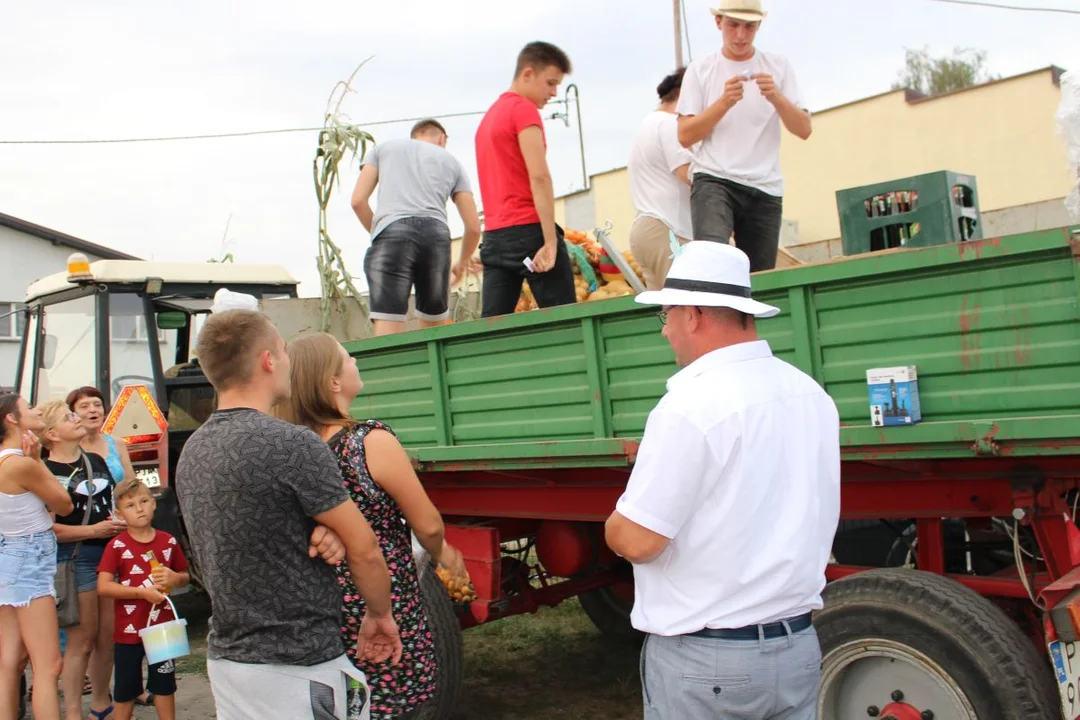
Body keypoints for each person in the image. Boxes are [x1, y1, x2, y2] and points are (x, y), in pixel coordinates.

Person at [604, 242, 840, 719]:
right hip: (796, 646)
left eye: (666, 315)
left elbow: (638, 539)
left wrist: (612, 526)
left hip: (708, 660)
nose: (666, 330)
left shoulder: (690, 405)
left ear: (693, 315)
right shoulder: (809, 393)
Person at [176, 309, 402, 719]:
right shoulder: (292, 444)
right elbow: (365, 549)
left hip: (229, 663)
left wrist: (320, 529)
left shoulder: (193, 451)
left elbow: (253, 530)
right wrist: (380, 615)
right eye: (283, 350)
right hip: (300, 664)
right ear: (268, 360)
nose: (288, 362)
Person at [277, 332, 469, 720]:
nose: (355, 362)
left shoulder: (292, 448)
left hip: (323, 608)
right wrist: (444, 554)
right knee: (395, 704)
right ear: (333, 381)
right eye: (348, 358)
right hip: (381, 599)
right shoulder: (369, 442)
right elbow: (427, 524)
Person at [676, 0, 811, 272]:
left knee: (759, 279)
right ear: (718, 23)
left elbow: (804, 129)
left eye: (749, 27)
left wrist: (776, 97)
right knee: (713, 266)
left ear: (759, 25)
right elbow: (684, 135)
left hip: (765, 186)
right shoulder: (701, 69)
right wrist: (723, 102)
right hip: (714, 179)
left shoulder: (778, 66)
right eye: (733, 25)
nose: (740, 35)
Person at [351, 119, 483, 336]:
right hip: (436, 236)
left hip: (392, 232)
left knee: (388, 331)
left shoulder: (383, 149)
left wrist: (381, 232)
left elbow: (357, 201)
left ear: (415, 135)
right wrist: (462, 262)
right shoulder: (452, 162)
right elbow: (473, 227)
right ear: (442, 138)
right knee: (435, 331)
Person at [38, 400, 125, 720]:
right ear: (51, 434)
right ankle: (73, 711)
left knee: (107, 637)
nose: (75, 418)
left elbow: (108, 503)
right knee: (82, 639)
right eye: (67, 417)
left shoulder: (97, 461)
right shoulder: (45, 472)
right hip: (76, 559)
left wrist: (117, 521)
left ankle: (101, 704)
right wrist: (94, 528)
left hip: (109, 554)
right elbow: (47, 528)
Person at [474, 41, 576, 317]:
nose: (554, 92)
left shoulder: (488, 119)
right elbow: (539, 176)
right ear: (528, 73)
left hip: (494, 238)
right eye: (550, 83)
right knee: (565, 324)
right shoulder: (523, 110)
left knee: (493, 329)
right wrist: (550, 241)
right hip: (530, 232)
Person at [0, 394, 73, 720]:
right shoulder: (22, 464)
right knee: (48, 665)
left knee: (9, 661)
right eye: (28, 407)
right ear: (11, 419)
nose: (37, 410)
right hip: (30, 559)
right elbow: (64, 504)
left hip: (9, 557)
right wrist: (38, 460)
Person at [97, 478, 190, 720]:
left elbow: (184, 576)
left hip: (162, 629)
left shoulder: (168, 541)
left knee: (164, 684)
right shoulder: (116, 546)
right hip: (129, 630)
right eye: (130, 505)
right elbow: (104, 586)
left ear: (154, 503)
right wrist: (141, 593)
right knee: (125, 689)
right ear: (119, 513)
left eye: (144, 501)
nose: (139, 509)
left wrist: (173, 578)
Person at [628, 68, 694, 290]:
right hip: (668, 230)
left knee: (668, 313)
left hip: (649, 230)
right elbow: (689, 174)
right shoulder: (669, 124)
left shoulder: (648, 122)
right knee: (684, 308)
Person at [68, 386, 135, 484]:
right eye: (84, 406)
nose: (93, 410)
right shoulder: (67, 446)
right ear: (72, 414)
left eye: (97, 405)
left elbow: (131, 483)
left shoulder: (117, 443)